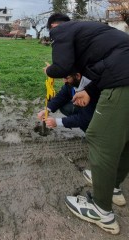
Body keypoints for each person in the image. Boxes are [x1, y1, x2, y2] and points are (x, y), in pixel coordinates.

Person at [44, 13, 129, 235]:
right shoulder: (100, 39)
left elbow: (60, 66)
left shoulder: (61, 30)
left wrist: (49, 71)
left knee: (100, 138)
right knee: (126, 139)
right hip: (123, 77)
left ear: (54, 27)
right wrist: (88, 91)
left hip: (122, 84)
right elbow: (106, 66)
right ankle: (113, 187)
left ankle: (101, 210)